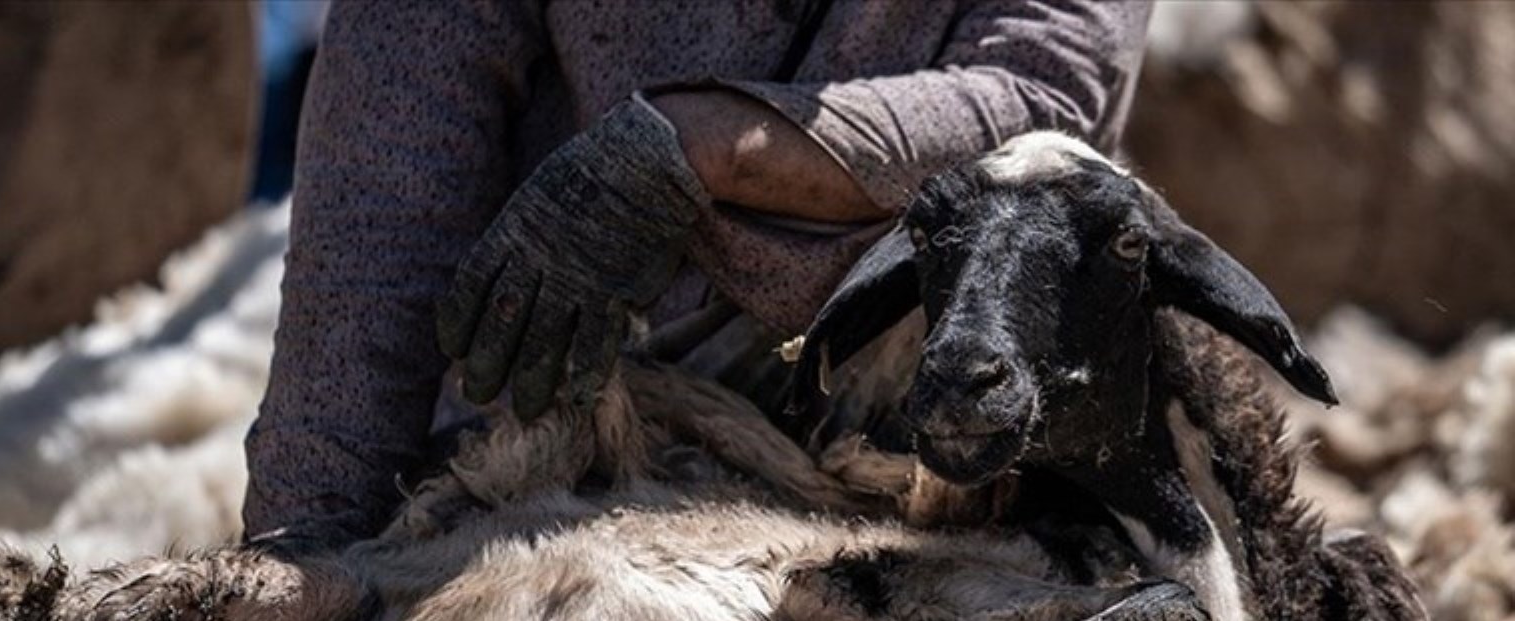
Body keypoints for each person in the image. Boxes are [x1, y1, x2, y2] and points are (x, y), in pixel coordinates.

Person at [245, 0, 1153, 549]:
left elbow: (1034, 99)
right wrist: (308, 545)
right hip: (541, 451)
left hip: (950, 465)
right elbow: (376, 224)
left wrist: (703, 145)